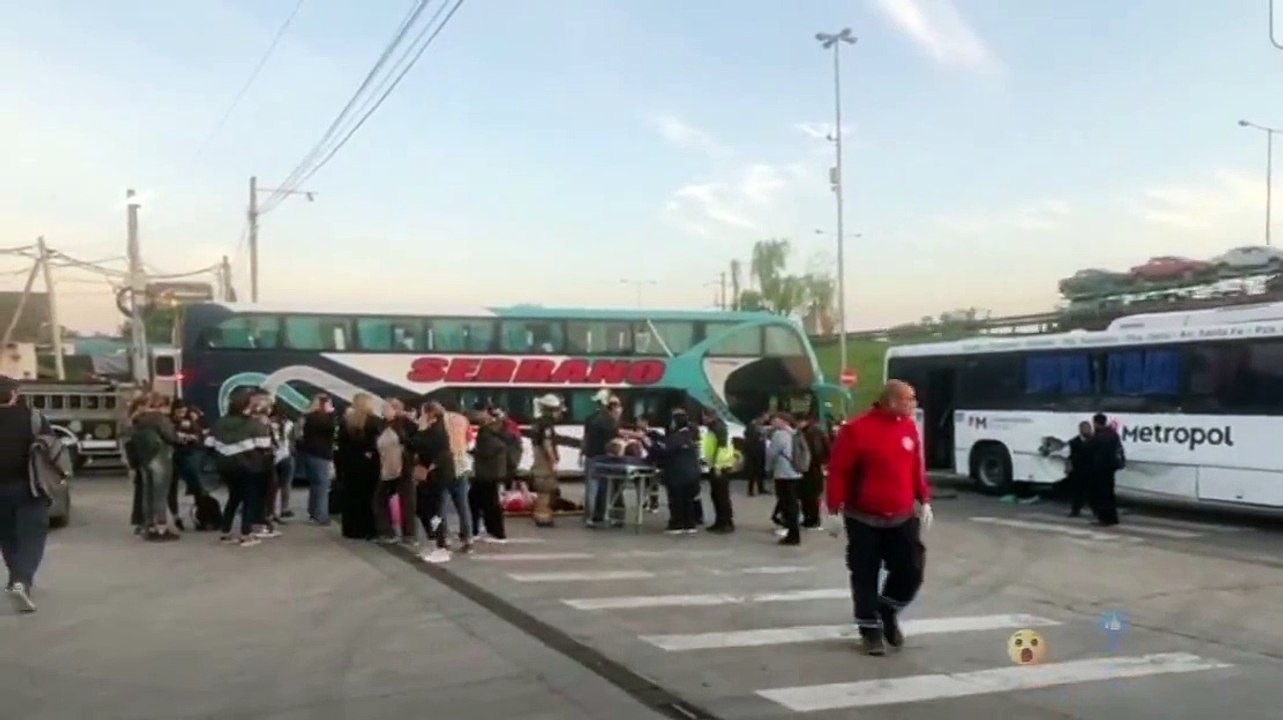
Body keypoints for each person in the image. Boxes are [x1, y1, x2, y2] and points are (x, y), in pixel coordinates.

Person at [826, 380, 933, 656]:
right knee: (865, 573)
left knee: (911, 568)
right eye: (910, 399)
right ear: (891, 401)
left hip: (902, 514)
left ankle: (887, 609)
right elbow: (839, 471)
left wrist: (924, 499)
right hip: (863, 517)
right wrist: (833, 508)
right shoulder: (856, 430)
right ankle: (870, 629)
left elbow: (915, 467)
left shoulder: (908, 427)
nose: (914, 404)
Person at [0, 376, 62, 613]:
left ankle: (15, 578)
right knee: (31, 537)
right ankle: (21, 581)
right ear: (14, 394)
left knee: (7, 536)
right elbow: (52, 447)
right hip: (30, 487)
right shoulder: (32, 418)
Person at [207, 388, 274, 546]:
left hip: (225, 466)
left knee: (234, 497)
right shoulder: (254, 424)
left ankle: (225, 531)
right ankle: (246, 533)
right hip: (249, 466)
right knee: (249, 499)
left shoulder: (219, 423)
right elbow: (265, 446)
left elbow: (208, 444)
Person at [407, 401, 452, 563]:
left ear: (430, 414)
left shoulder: (437, 430)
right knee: (422, 508)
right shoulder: (430, 430)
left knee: (434, 510)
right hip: (428, 474)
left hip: (437, 475)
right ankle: (434, 541)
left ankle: (441, 546)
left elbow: (418, 444)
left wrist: (419, 428)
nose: (421, 416)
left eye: (423, 413)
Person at [132, 392, 180, 541]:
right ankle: (161, 528)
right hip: (160, 456)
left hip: (144, 459)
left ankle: (149, 525)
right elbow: (171, 436)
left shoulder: (138, 419)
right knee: (161, 494)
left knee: (148, 494)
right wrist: (180, 438)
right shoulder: (160, 418)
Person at [336, 394, 382, 540]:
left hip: (350, 464)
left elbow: (341, 445)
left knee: (351, 497)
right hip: (368, 465)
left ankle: (351, 529)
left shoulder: (347, 421)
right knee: (367, 498)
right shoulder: (374, 421)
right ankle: (368, 529)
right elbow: (378, 443)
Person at [656, 409, 701, 535]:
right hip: (692, 472)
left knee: (676, 500)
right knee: (688, 499)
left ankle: (676, 524)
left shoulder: (676, 437)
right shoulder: (691, 435)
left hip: (677, 473)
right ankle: (689, 523)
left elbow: (665, 452)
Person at [469, 408, 509, 543]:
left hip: (487, 473)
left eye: (484, 414)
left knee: (486, 503)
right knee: (484, 502)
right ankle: (480, 530)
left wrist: (474, 451)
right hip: (491, 472)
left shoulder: (488, 432)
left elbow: (488, 450)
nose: (480, 415)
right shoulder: (497, 431)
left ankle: (495, 532)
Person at [765, 413, 804, 545]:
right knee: (793, 502)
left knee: (786, 503)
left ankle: (791, 533)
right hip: (796, 471)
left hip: (783, 472)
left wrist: (768, 468)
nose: (772, 423)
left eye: (775, 420)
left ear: (783, 421)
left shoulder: (779, 435)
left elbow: (772, 453)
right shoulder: (794, 433)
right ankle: (794, 530)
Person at [299, 394, 336, 526]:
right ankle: (321, 515)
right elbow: (331, 429)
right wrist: (331, 414)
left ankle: (313, 512)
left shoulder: (308, 417)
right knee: (322, 485)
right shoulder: (323, 419)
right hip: (321, 454)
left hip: (309, 454)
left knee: (314, 484)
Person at [373, 399, 405, 544]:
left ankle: (389, 532)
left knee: (381, 500)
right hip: (387, 467)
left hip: (396, 468)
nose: (383, 411)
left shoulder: (399, 426)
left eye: (386, 408)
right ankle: (388, 531)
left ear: (396, 410)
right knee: (381, 500)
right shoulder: (385, 425)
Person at [529, 395, 562, 527]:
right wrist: (553, 460)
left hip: (537, 458)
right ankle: (543, 517)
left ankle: (540, 514)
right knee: (545, 490)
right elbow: (547, 444)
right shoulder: (547, 425)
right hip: (544, 461)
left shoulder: (537, 423)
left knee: (541, 489)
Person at [701, 408, 735, 533]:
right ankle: (720, 521)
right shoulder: (715, 427)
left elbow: (722, 449)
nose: (702, 419)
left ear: (708, 416)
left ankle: (726, 523)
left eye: (703, 416)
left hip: (719, 467)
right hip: (716, 465)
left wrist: (717, 466)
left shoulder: (718, 429)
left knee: (721, 496)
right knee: (716, 495)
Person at [1088, 412, 1123, 526]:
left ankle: (1104, 518)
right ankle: (1112, 517)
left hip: (1099, 468)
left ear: (1096, 423)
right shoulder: (1113, 434)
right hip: (1110, 467)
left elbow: (1090, 449)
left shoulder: (1098, 436)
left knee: (1100, 495)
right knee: (1109, 494)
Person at [798, 415, 832, 530]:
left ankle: (811, 519)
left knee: (809, 495)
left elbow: (816, 450)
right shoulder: (817, 433)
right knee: (811, 495)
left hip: (810, 467)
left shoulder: (808, 434)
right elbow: (826, 449)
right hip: (814, 467)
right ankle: (811, 518)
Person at [268, 403, 296, 521]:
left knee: (272, 486)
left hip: (272, 457)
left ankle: (271, 510)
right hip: (286, 455)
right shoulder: (289, 423)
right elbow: (293, 440)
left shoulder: (267, 423)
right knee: (286, 484)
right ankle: (284, 508)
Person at [1066, 420, 1094, 518]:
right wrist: (1069, 466)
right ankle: (1075, 510)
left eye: (1088, 428)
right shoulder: (1074, 442)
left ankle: (1096, 510)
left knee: (1093, 492)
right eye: (1085, 428)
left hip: (1091, 470)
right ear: (1080, 430)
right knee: (1077, 492)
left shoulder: (1094, 440)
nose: (1088, 430)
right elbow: (1071, 456)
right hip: (1078, 470)